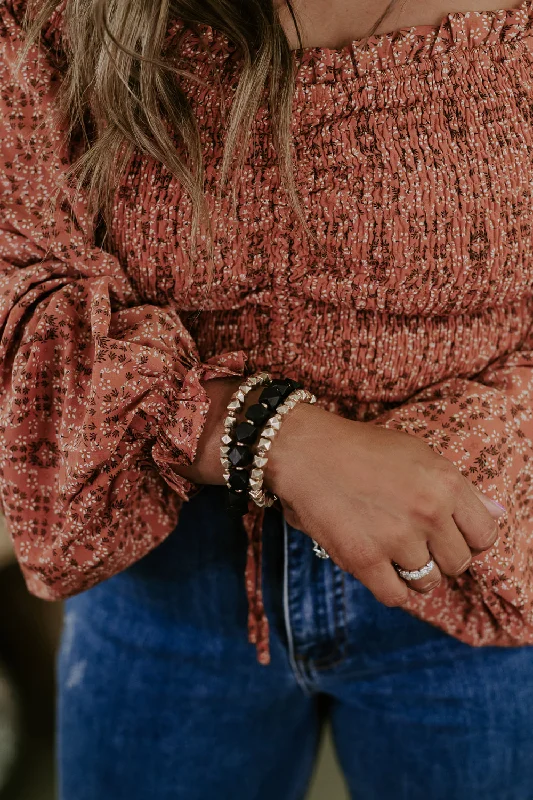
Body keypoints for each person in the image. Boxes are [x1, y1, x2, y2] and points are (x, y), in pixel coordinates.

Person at [1, 0, 533, 796]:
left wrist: (473, 450)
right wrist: (264, 435)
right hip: (161, 579)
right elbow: (17, 277)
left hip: (481, 558)